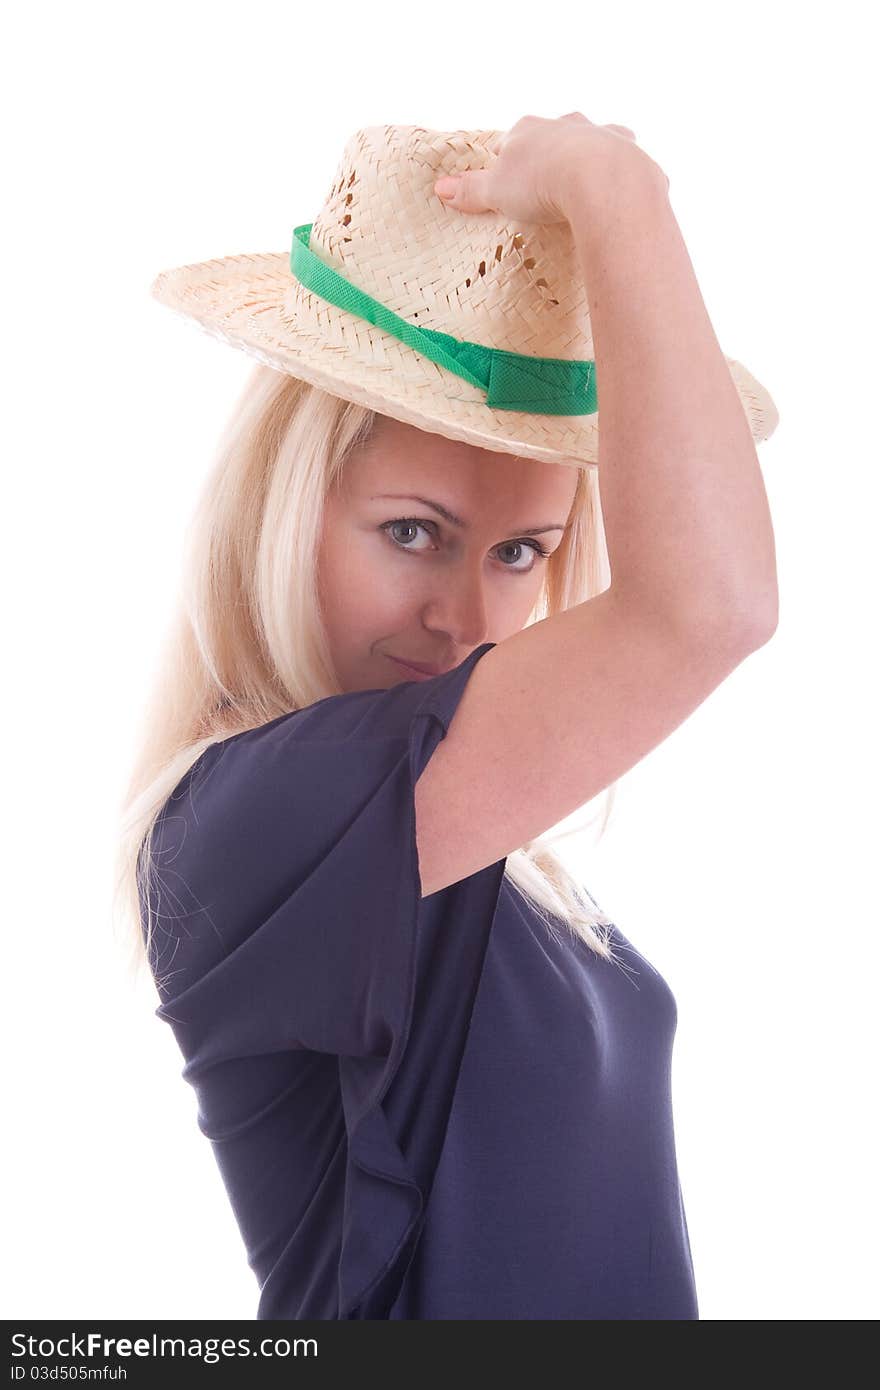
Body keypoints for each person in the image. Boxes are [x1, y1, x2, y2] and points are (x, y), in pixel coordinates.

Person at [115, 115, 779, 1320]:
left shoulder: (464, 846)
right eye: (411, 532)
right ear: (282, 504)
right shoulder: (254, 816)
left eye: (522, 550)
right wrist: (616, 188)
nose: (468, 618)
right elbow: (708, 608)